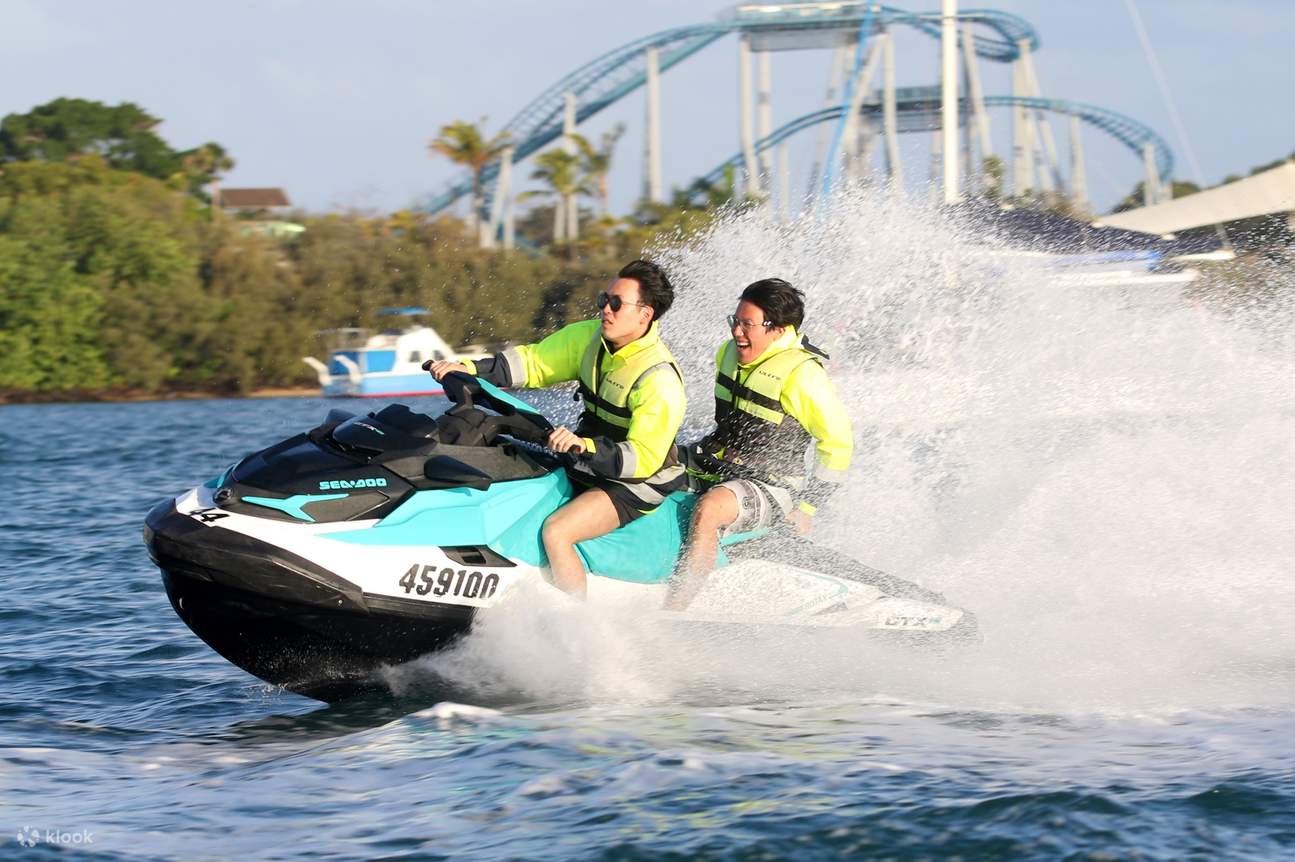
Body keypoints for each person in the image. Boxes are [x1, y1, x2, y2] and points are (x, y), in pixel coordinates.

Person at [428, 260, 687, 598]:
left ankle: (577, 628)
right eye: (603, 300)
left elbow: (644, 459)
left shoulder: (659, 379)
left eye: (616, 303)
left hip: (637, 481)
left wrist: (584, 446)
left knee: (557, 531)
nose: (605, 310)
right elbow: (531, 363)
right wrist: (466, 367)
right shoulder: (588, 338)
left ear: (645, 314)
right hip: (588, 457)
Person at [666, 278, 853, 609]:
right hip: (717, 463)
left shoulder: (803, 375)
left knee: (709, 509)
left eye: (747, 325)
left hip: (774, 486)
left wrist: (807, 508)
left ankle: (678, 608)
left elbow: (838, 445)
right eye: (735, 321)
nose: (737, 332)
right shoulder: (727, 354)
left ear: (778, 330)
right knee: (642, 463)